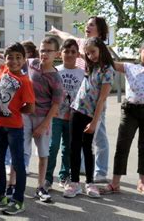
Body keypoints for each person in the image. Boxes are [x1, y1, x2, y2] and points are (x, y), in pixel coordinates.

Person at [101, 39, 144, 196]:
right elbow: (109, 62)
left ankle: (142, 182)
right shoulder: (129, 67)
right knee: (122, 146)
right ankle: (115, 183)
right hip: (130, 112)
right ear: (140, 51)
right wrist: (100, 46)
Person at [50, 16, 110, 182]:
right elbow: (67, 36)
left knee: (99, 137)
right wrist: (56, 31)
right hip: (82, 98)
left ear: (100, 29)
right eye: (87, 24)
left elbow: (108, 69)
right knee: (80, 138)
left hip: (97, 99)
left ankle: (101, 171)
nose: (87, 27)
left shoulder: (103, 49)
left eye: (91, 25)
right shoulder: (81, 43)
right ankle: (83, 169)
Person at [0, 41, 35, 215]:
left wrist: (16, 110)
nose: (14, 61)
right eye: (11, 57)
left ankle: (18, 200)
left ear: (24, 60)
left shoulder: (25, 81)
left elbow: (31, 107)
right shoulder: (3, 70)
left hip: (14, 129)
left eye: (19, 57)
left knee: (17, 164)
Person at [64, 37, 115, 198]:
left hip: (91, 116)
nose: (91, 56)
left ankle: (90, 183)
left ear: (101, 49)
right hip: (76, 110)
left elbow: (102, 99)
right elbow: (76, 47)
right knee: (74, 147)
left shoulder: (108, 70)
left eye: (93, 52)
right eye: (87, 53)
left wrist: (94, 122)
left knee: (87, 148)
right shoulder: (90, 66)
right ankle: (74, 183)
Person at [22, 37, 64, 202]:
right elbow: (12, 61)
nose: (44, 53)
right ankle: (15, 185)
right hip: (26, 114)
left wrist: (43, 125)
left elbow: (55, 105)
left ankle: (41, 186)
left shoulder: (56, 78)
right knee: (21, 150)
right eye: (42, 49)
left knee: (43, 154)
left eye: (48, 50)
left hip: (43, 118)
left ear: (56, 53)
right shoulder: (31, 63)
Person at [45, 39, 84, 189]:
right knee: (52, 146)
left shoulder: (81, 73)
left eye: (73, 52)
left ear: (77, 55)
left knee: (68, 148)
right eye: (66, 51)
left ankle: (64, 176)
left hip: (73, 117)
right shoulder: (55, 71)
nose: (69, 54)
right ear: (60, 53)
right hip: (55, 116)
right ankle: (48, 177)